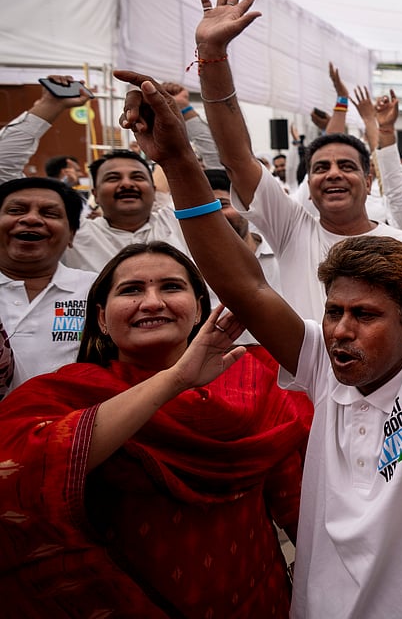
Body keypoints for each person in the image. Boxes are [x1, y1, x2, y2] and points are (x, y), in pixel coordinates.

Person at [118, 25, 402, 617]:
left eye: (364, 315)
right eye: (334, 311)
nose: (339, 329)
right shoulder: (320, 367)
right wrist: (179, 159)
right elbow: (243, 284)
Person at [0, 241, 309, 616]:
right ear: (100, 318)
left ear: (198, 309)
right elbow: (20, 471)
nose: (151, 302)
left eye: (171, 287)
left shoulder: (253, 378)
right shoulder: (64, 393)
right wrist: (175, 380)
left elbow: (296, 503)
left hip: (259, 598)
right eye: (131, 290)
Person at [182, 0, 402, 346]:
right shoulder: (292, 230)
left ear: (368, 178)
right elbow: (236, 158)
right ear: (308, 186)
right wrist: (212, 55)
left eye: (346, 166)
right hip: (303, 398)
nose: (333, 174)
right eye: (320, 167)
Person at [0, 177, 95, 392]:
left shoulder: (99, 290)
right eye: (16, 210)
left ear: (71, 235)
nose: (31, 219)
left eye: (49, 213)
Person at [62, 149, 190, 274]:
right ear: (95, 195)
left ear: (153, 190)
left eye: (138, 177)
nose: (127, 184)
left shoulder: (178, 222)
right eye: (113, 178)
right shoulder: (75, 235)